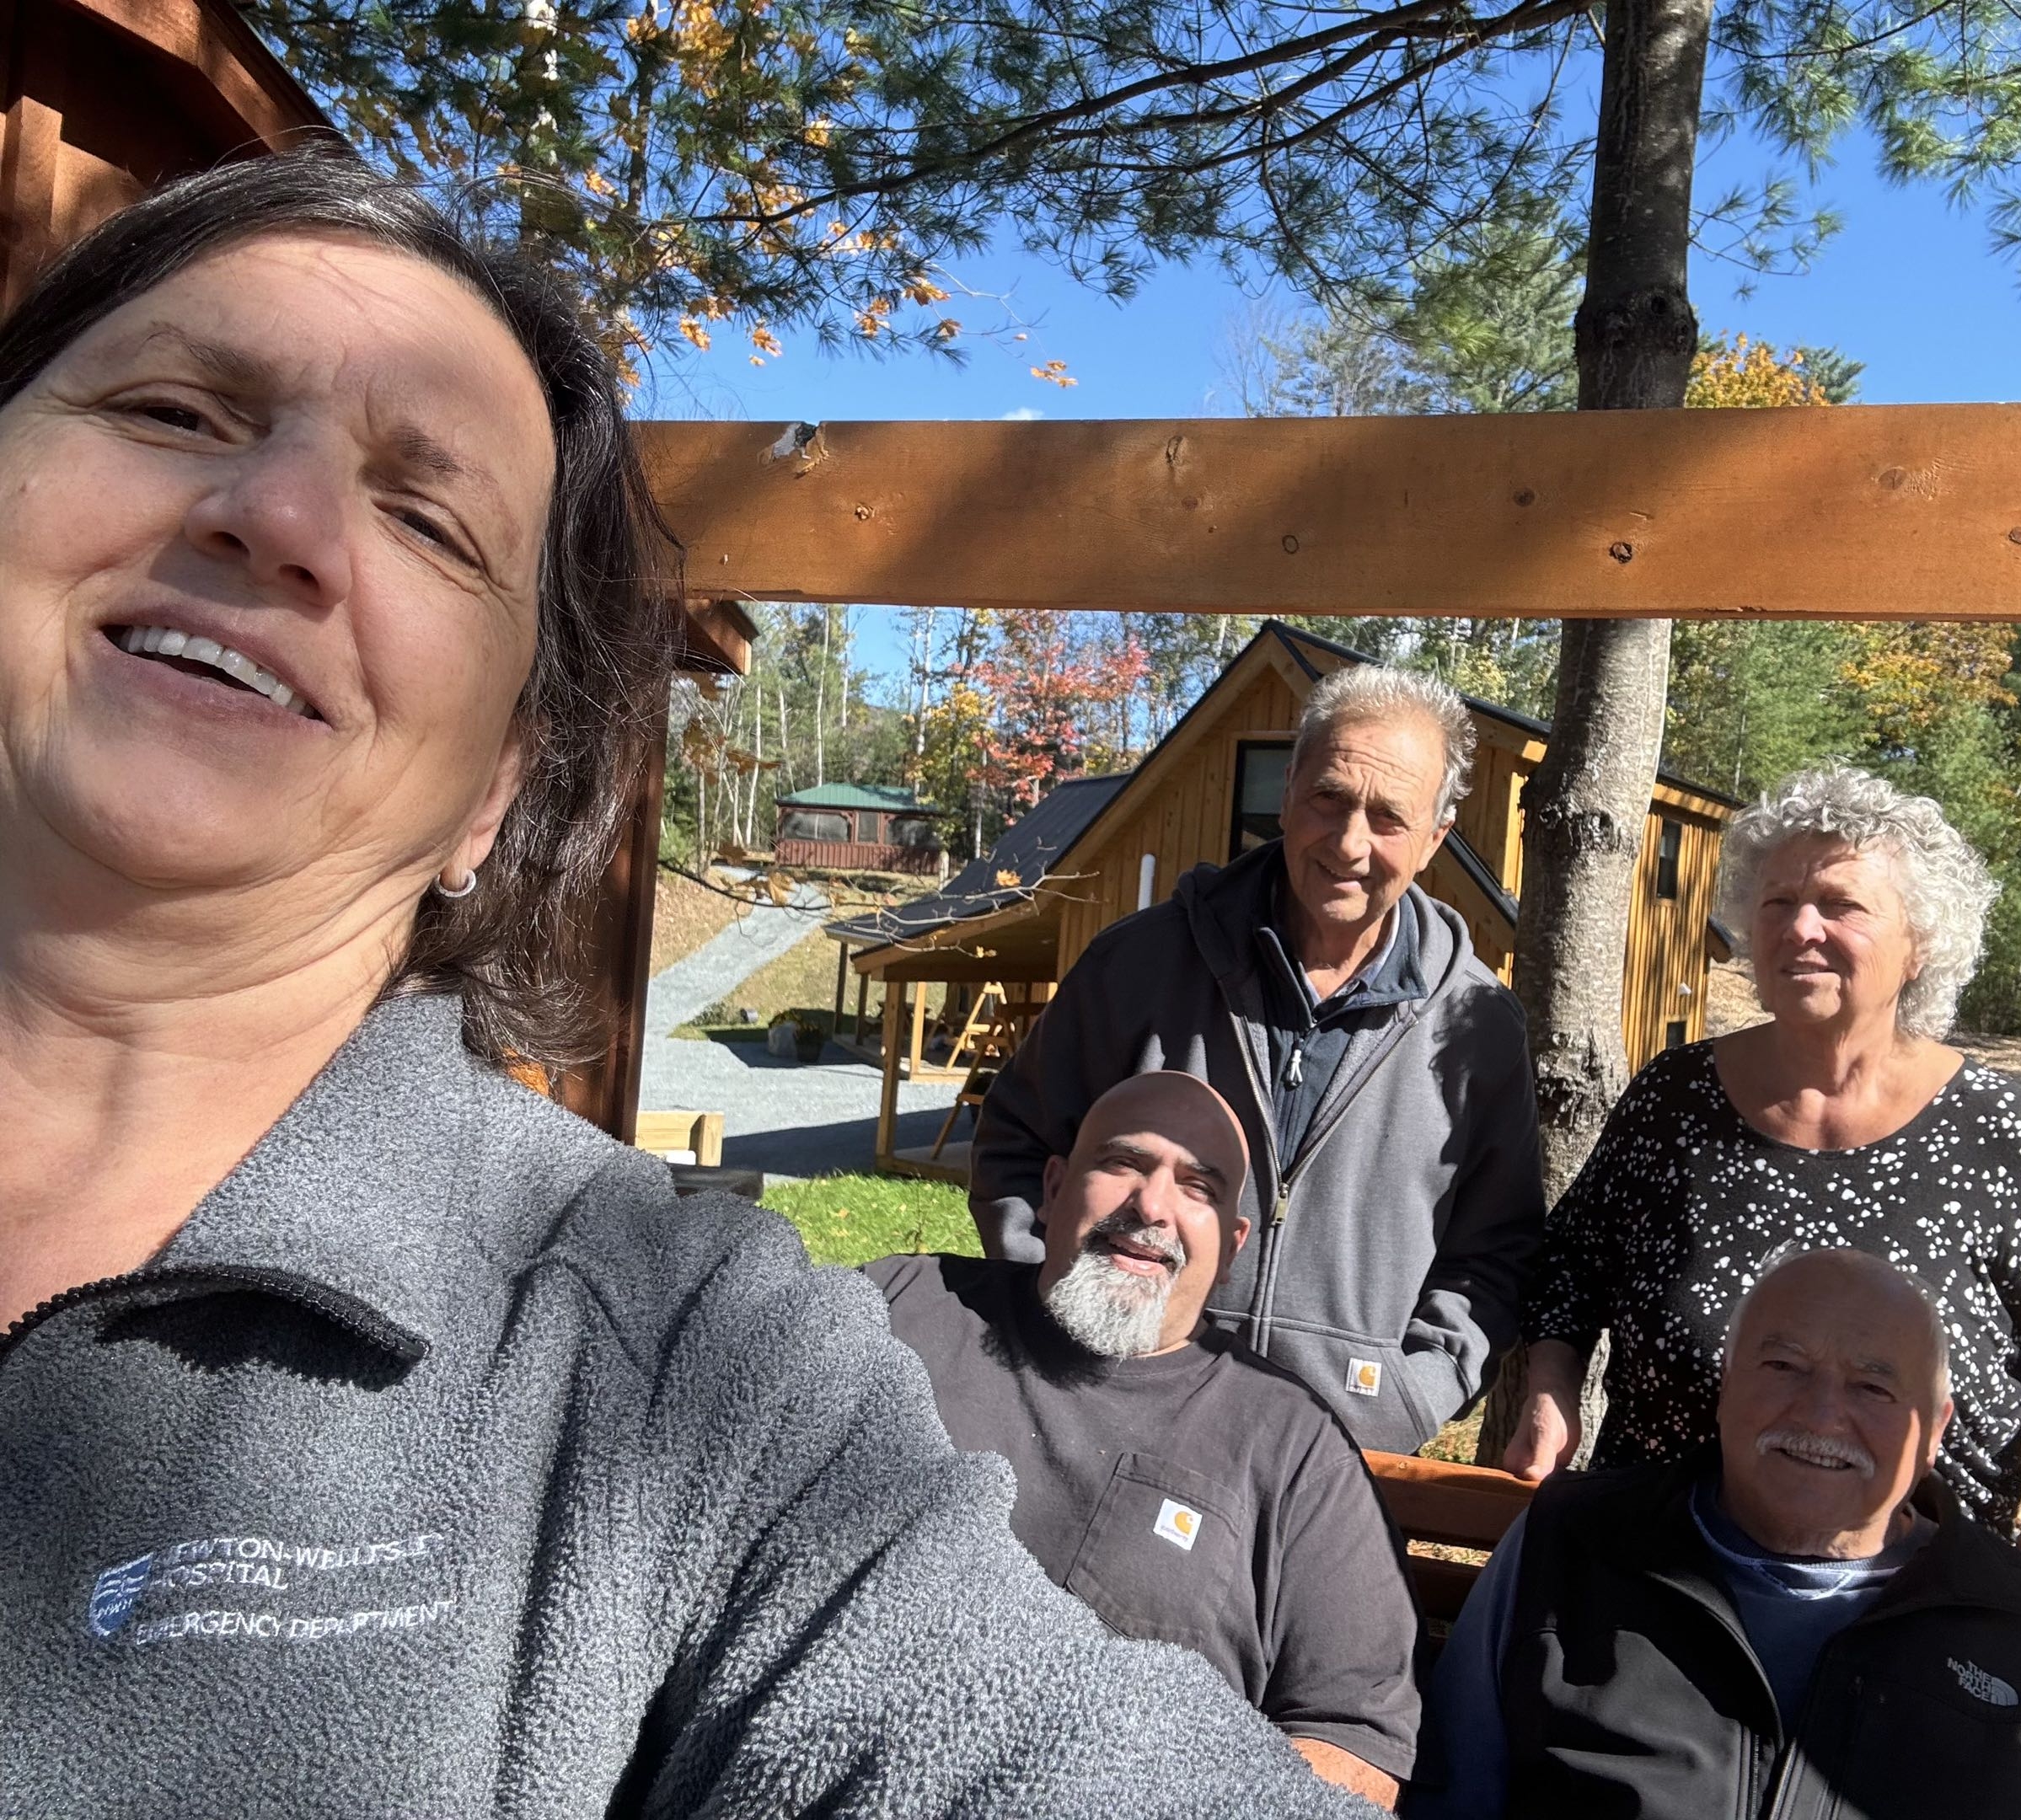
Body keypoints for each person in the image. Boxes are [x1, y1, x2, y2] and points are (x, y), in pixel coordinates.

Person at [0, 152, 1373, 1818]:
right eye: (176, 409)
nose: (274, 516)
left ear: (499, 788)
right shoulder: (1119, 992)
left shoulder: (675, 1358)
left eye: (427, 519)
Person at [1501, 766, 2021, 1621]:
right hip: (1659, 1595)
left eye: (1842, 906)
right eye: (1777, 904)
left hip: (1918, 1613)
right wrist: (1552, 1388)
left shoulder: (2004, 1135)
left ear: (1919, 942)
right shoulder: (1676, 1102)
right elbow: (1569, 1266)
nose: (1800, 930)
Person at [970, 663, 1546, 1453]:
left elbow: (1496, 1251)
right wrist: (1063, 1316)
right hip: (1108, 1416)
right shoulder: (1139, 966)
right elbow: (1016, 1146)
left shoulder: (1477, 1029)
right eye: (1329, 798)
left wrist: (1410, 1394)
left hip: (1335, 1454)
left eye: (1387, 818)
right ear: (1287, 791)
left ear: (1436, 838)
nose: (1349, 843)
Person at [1418, 1247, 2021, 1820]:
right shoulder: (1574, 1545)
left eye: (1873, 1386)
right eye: (1783, 1366)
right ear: (1725, 1388)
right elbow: (1450, 1799)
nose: (1819, 1416)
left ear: (1935, 1429)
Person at [868, 1071, 1423, 1808]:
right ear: (1056, 1186)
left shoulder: (1296, 1449)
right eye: (1123, 1163)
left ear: (1231, 1246)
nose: (1151, 1206)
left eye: (1197, 1186)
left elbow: (1353, 1740)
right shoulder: (902, 1308)